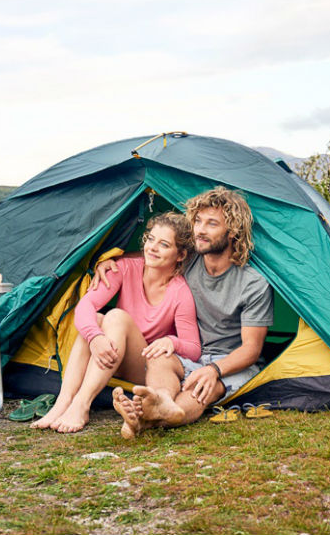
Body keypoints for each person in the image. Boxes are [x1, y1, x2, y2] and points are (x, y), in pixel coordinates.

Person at [92, 187, 274, 439]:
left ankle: (166, 413)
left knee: (203, 387)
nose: (199, 230)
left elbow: (251, 350)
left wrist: (214, 370)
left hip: (229, 361)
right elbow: (152, 256)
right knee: (159, 358)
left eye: (212, 224)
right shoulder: (189, 261)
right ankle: (159, 402)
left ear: (232, 231)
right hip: (191, 352)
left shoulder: (253, 284)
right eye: (198, 221)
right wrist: (111, 261)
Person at [30, 212, 201, 433]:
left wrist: (171, 341)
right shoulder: (124, 268)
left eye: (164, 244)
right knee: (97, 319)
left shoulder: (180, 292)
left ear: (180, 255)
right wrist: (95, 337)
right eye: (150, 239)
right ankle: (63, 401)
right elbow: (85, 306)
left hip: (143, 367)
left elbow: (194, 349)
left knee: (115, 316)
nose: (152, 248)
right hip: (110, 352)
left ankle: (82, 404)